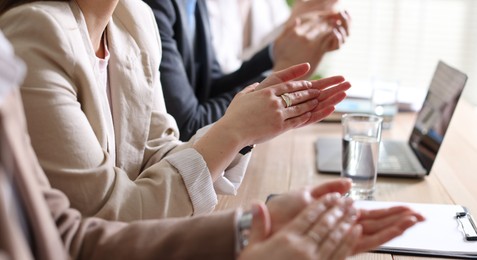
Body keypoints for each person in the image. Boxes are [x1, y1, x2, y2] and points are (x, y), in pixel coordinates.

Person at [0, 42, 426, 259]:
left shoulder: (132, 17)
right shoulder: (33, 39)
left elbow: (66, 239)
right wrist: (234, 130)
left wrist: (247, 230)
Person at [0, 0, 351, 221]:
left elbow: (158, 152)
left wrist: (245, 129)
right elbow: (104, 215)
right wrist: (233, 131)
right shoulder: (37, 32)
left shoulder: (132, 17)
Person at [144, 0, 351, 140]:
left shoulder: (194, 4)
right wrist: (279, 74)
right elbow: (188, 126)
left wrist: (276, 53)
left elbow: (210, 89)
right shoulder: (154, 6)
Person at [206, 0, 346, 73]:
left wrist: (319, 39)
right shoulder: (205, 6)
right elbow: (227, 76)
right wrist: (290, 25)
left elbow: (283, 65)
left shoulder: (271, 3)